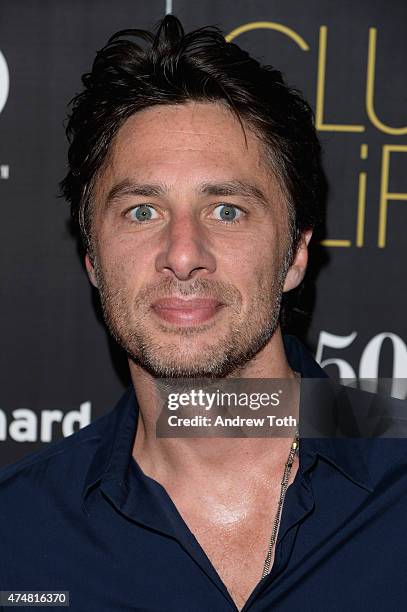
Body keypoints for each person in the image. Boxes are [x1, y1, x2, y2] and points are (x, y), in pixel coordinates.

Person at [1, 14, 406, 612]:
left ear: (295, 255)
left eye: (227, 210)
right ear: (92, 259)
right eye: (142, 211)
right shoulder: (18, 533)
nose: (183, 255)